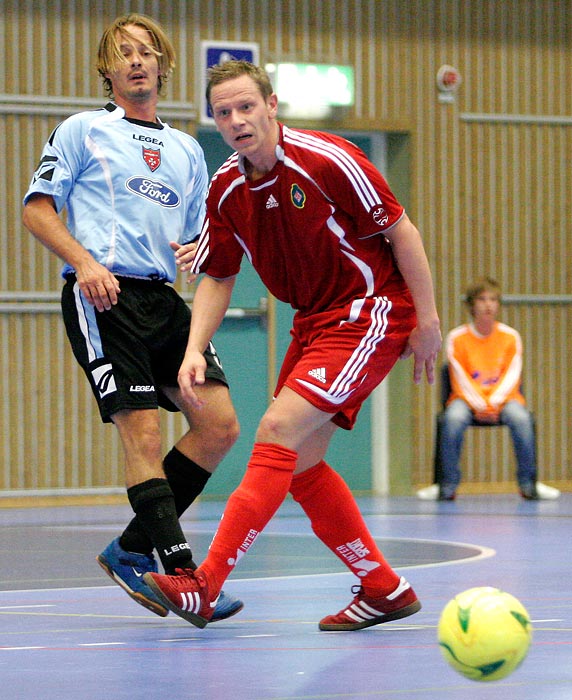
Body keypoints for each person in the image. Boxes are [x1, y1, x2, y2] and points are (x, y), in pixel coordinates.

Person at [144, 60, 442, 631]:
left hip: (369, 309)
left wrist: (426, 320)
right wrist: (192, 349)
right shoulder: (227, 187)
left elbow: (401, 231)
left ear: (271, 104)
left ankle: (205, 586)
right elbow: (218, 274)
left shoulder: (328, 161)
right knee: (300, 464)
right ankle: (383, 587)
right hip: (313, 322)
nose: (236, 120)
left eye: (246, 107)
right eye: (223, 112)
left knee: (277, 431)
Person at [21, 14, 243, 621]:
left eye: (147, 52)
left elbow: (201, 233)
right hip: (104, 297)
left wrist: (200, 250)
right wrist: (85, 264)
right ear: (108, 68)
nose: (137, 61)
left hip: (162, 300)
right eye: (124, 53)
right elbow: (38, 211)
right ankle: (181, 574)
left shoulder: (188, 150)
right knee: (143, 433)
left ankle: (129, 550)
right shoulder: (82, 131)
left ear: (165, 66)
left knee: (219, 424)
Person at [430, 276, 560, 501]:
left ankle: (529, 484)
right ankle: (447, 485)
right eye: (482, 299)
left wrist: (494, 402)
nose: (488, 304)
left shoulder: (510, 337)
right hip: (467, 401)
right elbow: (459, 377)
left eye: (493, 299)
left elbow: (512, 375)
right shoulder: (456, 338)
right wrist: (481, 403)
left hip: (505, 400)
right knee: (452, 419)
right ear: (472, 305)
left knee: (521, 419)